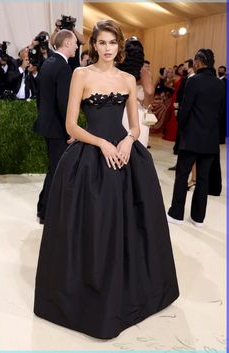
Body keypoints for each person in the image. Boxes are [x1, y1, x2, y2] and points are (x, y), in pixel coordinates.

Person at [34, 20, 179, 339]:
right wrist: (101, 143)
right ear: (94, 46)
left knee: (129, 221)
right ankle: (89, 291)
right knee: (92, 223)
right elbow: (72, 125)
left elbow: (136, 125)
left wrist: (128, 141)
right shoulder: (80, 75)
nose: (107, 48)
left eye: (112, 42)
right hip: (90, 155)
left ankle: (126, 289)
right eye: (101, 42)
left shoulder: (128, 79)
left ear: (119, 45)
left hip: (124, 155)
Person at [167, 49, 224, 227]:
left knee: (182, 175)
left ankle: (177, 214)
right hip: (211, 139)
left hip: (191, 137)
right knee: (203, 178)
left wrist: (183, 128)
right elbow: (221, 113)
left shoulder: (193, 81)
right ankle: (198, 218)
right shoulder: (220, 84)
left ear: (198, 62)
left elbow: (185, 110)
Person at [34, 29, 78, 224]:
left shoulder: (48, 63)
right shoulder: (62, 67)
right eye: (75, 42)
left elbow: (41, 98)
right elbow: (63, 102)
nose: (77, 46)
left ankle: (43, 208)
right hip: (58, 129)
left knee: (54, 168)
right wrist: (71, 130)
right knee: (58, 170)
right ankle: (47, 213)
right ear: (67, 43)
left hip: (47, 125)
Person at [120, 38, 154, 147]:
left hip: (120, 112)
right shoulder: (144, 72)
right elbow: (149, 92)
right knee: (139, 148)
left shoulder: (118, 70)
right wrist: (146, 105)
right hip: (138, 113)